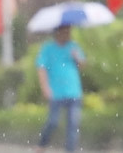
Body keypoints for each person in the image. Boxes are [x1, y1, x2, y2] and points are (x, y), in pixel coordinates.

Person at [35, 24, 86, 152]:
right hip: (56, 92)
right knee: (53, 122)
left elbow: (82, 66)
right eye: (64, 32)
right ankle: (42, 145)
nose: (67, 35)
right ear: (57, 33)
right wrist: (45, 87)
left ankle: (70, 150)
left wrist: (77, 57)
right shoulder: (48, 49)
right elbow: (41, 68)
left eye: (69, 32)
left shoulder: (73, 47)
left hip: (74, 92)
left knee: (73, 125)